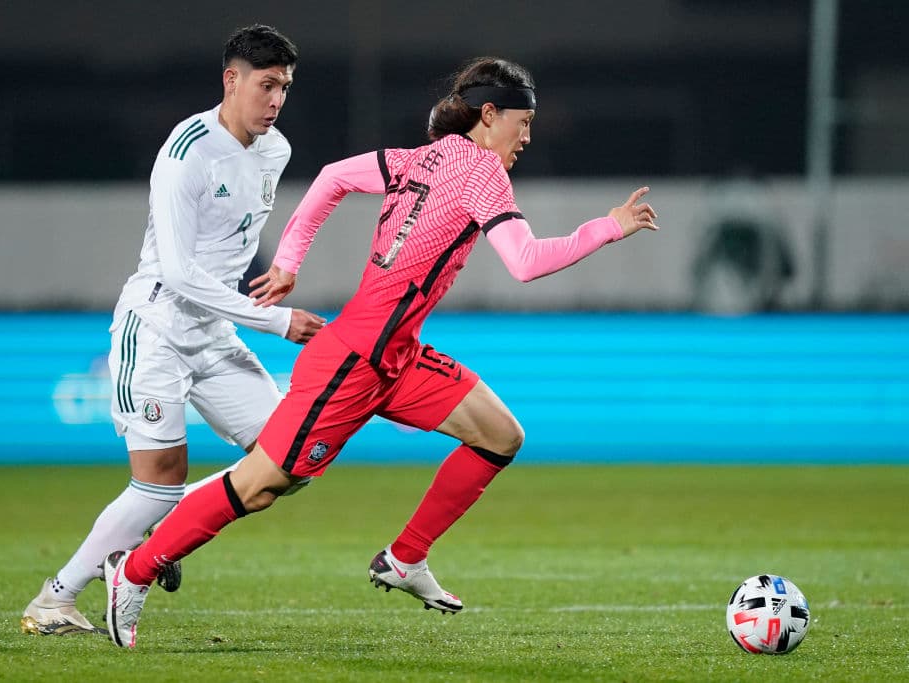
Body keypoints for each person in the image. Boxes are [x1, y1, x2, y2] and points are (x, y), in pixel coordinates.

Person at [101, 56, 659, 649]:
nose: (526, 136)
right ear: (489, 115)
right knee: (260, 485)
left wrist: (290, 259)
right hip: (353, 360)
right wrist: (608, 228)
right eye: (522, 122)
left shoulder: (419, 157)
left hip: (397, 356)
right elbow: (525, 263)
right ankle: (131, 572)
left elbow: (332, 178)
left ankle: (405, 557)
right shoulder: (482, 174)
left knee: (501, 435)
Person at [20, 24, 325, 637]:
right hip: (156, 327)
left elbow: (229, 247)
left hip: (215, 334)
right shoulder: (186, 151)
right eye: (266, 85)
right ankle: (55, 599)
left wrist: (278, 274)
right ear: (230, 80)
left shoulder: (275, 150)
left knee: (291, 461)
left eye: (285, 88)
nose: (275, 100)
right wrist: (273, 320)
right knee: (159, 482)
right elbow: (182, 273)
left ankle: (136, 547)